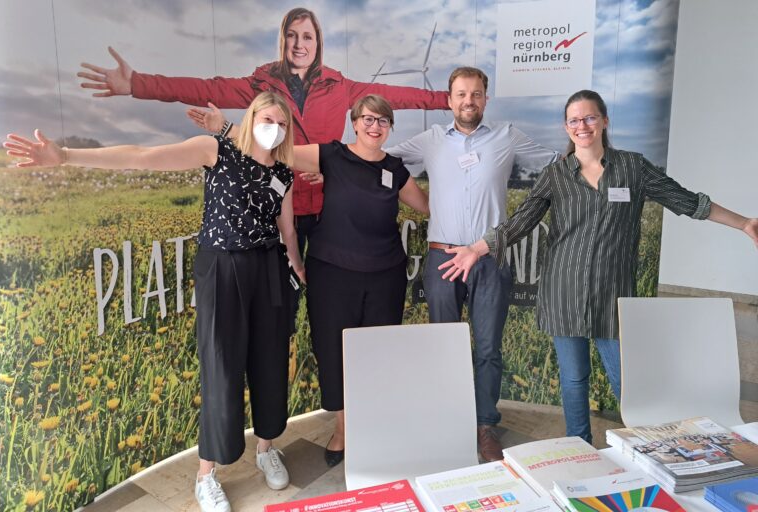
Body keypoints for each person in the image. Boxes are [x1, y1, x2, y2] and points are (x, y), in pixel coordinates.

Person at [4, 92, 306, 512]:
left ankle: (266, 447)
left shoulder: (285, 175)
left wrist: (296, 267)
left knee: (271, 361)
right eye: (267, 118)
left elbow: (287, 229)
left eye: (282, 122)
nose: (274, 127)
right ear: (250, 119)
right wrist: (67, 155)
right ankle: (207, 474)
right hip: (222, 268)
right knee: (221, 364)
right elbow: (144, 156)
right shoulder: (216, 150)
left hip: (269, 270)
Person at [437, 89, 758, 445]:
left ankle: (645, 445)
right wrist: (476, 249)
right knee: (574, 379)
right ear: (566, 127)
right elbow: (519, 223)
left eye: (589, 117)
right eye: (574, 120)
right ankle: (580, 447)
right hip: (564, 291)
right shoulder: (556, 174)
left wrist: (743, 223)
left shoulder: (633, 168)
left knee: (626, 380)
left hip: (613, 295)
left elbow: (687, 201)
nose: (582, 126)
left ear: (604, 121)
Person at [77, 7, 449, 260]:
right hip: (277, 206)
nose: (299, 44)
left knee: (326, 287)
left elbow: (400, 96)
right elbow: (206, 88)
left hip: (326, 207)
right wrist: (138, 84)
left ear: (317, 43)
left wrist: (447, 99)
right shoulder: (261, 83)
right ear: (283, 41)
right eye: (292, 36)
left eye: (307, 37)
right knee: (279, 292)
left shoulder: (342, 87)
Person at [385, 66, 559, 462]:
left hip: (489, 257)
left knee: (488, 349)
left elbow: (555, 161)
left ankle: (484, 426)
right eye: (461, 94)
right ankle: (446, 421)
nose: (469, 101)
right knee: (443, 346)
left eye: (476, 94)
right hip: (443, 257)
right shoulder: (429, 140)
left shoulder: (507, 136)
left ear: (486, 99)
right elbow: (379, 159)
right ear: (449, 100)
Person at [289, 94, 429, 466]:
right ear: (354, 121)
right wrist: (225, 129)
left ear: (389, 128)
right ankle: (343, 430)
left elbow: (428, 206)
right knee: (333, 351)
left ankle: (375, 427)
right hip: (332, 274)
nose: (374, 126)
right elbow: (277, 147)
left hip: (385, 276)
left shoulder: (395, 169)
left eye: (383, 121)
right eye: (368, 119)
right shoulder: (331, 156)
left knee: (378, 355)